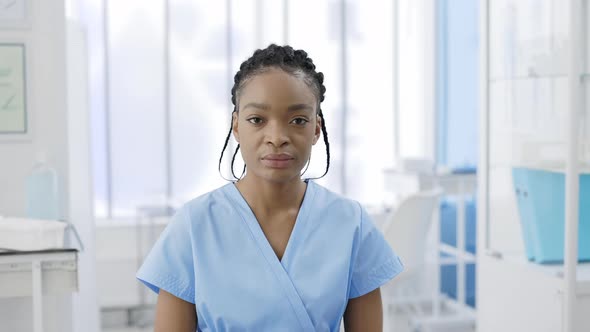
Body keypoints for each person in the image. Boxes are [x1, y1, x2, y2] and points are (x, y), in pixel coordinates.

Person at [136, 44, 404, 332]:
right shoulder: (193, 226)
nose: (277, 137)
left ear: (316, 129)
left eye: (298, 120)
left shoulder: (351, 224)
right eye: (257, 120)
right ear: (237, 126)